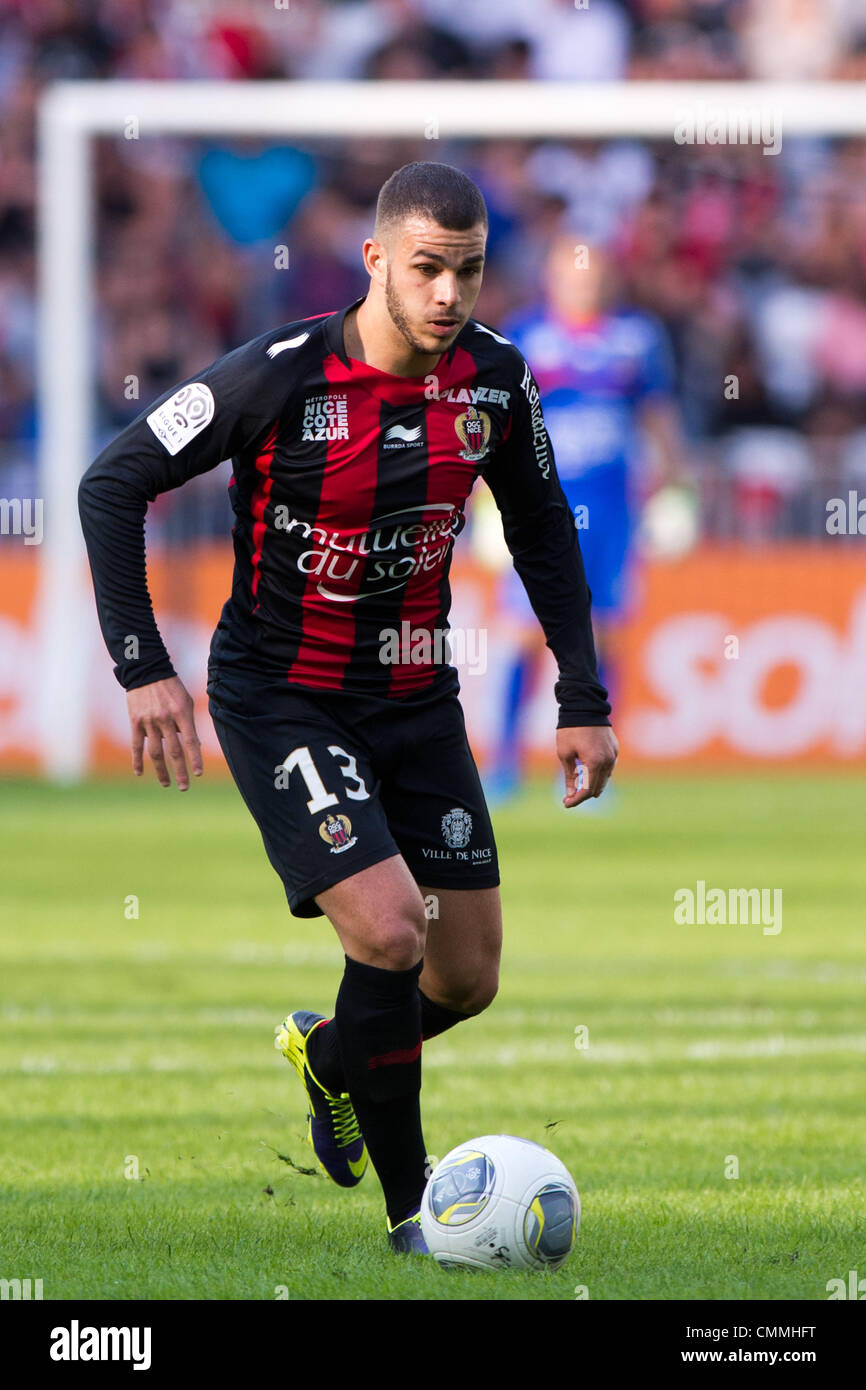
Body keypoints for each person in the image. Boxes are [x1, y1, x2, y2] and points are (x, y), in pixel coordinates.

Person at [78, 162, 618, 1254]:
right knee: (385, 927)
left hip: (416, 692)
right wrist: (142, 664)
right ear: (374, 260)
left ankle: (332, 1057)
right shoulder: (278, 377)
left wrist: (579, 692)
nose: (447, 295)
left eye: (466, 271)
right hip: (282, 694)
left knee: (464, 977)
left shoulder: (495, 381)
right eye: (425, 268)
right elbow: (111, 480)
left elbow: (546, 530)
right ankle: (415, 1213)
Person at [487, 230, 685, 798]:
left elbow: (658, 414)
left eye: (594, 272)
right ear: (552, 277)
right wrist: (483, 499)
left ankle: (587, 766)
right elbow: (499, 423)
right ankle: (503, 762)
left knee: (606, 636)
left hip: (613, 509)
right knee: (525, 633)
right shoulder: (526, 336)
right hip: (541, 510)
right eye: (574, 272)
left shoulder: (635, 338)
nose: (585, 281)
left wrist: (678, 485)